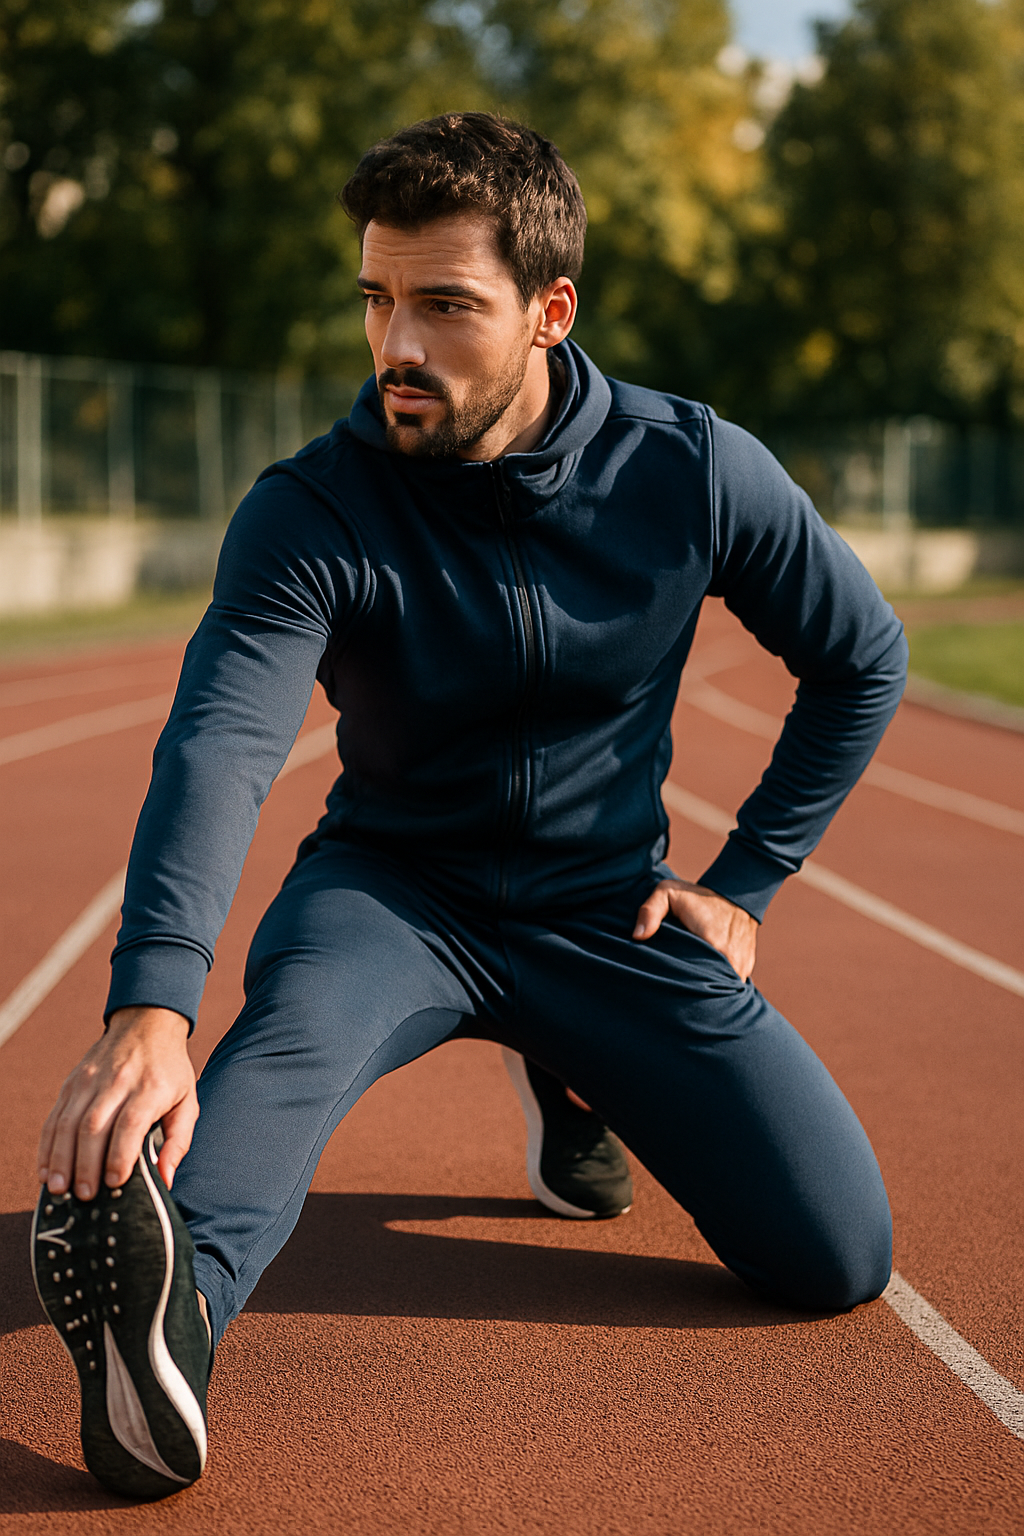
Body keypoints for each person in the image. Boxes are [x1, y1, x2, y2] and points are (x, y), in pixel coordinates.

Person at [32, 111, 907, 1500]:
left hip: (604, 912)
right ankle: (163, 1340)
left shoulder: (691, 469)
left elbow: (865, 659)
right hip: (391, 897)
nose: (398, 347)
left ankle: (572, 1076)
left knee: (837, 1259)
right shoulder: (314, 507)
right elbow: (222, 742)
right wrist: (152, 1004)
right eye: (378, 299)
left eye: (446, 306)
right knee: (250, 1103)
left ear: (550, 313)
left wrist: (743, 884)